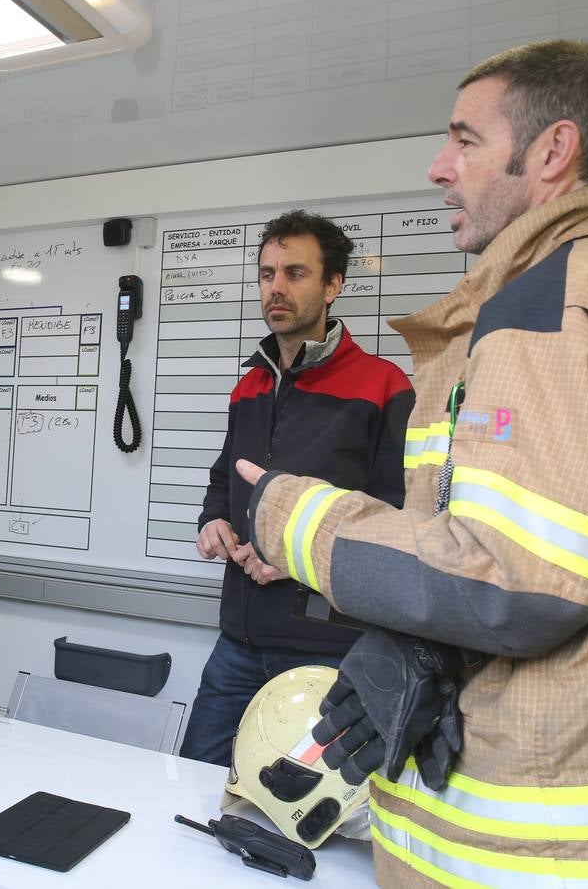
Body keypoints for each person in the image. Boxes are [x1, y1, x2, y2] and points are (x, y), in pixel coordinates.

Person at [240, 40, 588, 885]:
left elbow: (516, 580)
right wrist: (424, 642)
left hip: (572, 851)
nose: (437, 166)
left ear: (552, 152)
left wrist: (290, 515)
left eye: (464, 140)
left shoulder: (553, 301)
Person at [179, 210, 413, 766]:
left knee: (301, 813)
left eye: (295, 273)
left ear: (334, 285)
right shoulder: (250, 385)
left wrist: (304, 558)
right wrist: (213, 520)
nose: (276, 288)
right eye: (266, 274)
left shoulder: (383, 386)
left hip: (327, 655)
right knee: (189, 781)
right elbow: (223, 478)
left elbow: (402, 517)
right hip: (237, 644)